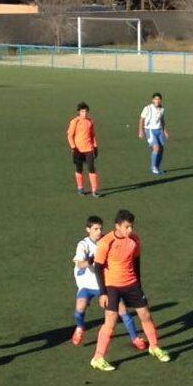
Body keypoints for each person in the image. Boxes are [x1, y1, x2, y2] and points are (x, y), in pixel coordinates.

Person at [89, 209, 171, 371]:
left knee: (145, 315)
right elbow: (98, 267)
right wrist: (103, 293)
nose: (130, 230)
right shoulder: (106, 242)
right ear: (117, 226)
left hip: (131, 284)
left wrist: (139, 285)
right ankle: (97, 358)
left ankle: (154, 347)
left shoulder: (134, 239)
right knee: (111, 320)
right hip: (112, 286)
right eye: (127, 227)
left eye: (131, 226)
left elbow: (136, 262)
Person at [71, 215, 148, 352]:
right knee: (79, 309)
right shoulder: (83, 245)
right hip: (87, 285)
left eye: (100, 229)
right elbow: (80, 264)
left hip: (106, 284)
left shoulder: (107, 241)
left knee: (123, 312)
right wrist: (90, 261)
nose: (99, 231)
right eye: (95, 229)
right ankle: (80, 328)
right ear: (88, 230)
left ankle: (135, 338)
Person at [67, 102, 101, 198]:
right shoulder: (75, 122)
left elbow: (92, 135)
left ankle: (95, 190)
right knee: (79, 169)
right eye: (82, 111)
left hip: (88, 149)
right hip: (78, 150)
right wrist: (73, 148)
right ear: (79, 112)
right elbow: (70, 136)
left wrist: (95, 146)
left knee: (91, 168)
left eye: (86, 111)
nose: (84, 113)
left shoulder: (90, 122)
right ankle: (80, 188)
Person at [138, 92, 169, 175]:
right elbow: (141, 119)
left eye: (159, 99)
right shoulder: (147, 108)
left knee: (161, 149)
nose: (157, 100)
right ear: (152, 100)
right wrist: (141, 131)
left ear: (161, 100)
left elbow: (162, 120)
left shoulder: (162, 109)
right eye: (155, 99)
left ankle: (157, 167)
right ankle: (153, 167)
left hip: (159, 131)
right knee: (156, 148)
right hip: (150, 130)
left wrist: (164, 131)